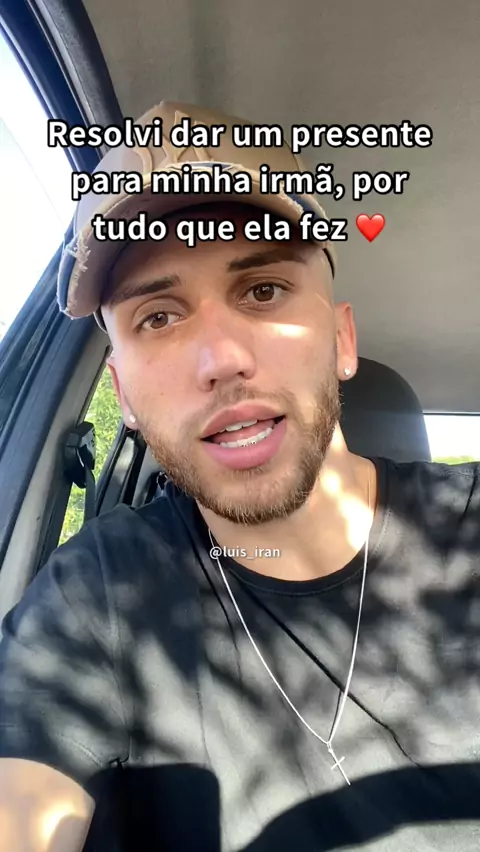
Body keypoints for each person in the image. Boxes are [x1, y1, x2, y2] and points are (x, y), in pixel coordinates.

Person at [0, 100, 479, 852]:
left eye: (262, 290)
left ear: (342, 340)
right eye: (159, 317)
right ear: (124, 397)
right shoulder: (97, 595)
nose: (221, 359)